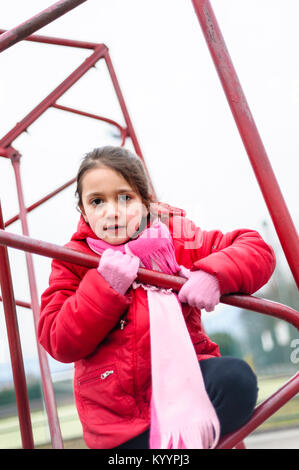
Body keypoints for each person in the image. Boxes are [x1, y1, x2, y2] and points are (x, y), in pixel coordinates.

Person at [38, 146, 276, 449]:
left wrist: (215, 273)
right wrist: (104, 286)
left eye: (124, 197)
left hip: (185, 386)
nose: (111, 211)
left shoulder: (176, 237)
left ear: (145, 201)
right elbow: (58, 339)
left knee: (237, 380)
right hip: (120, 417)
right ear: (83, 211)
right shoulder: (72, 260)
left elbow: (255, 248)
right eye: (97, 201)